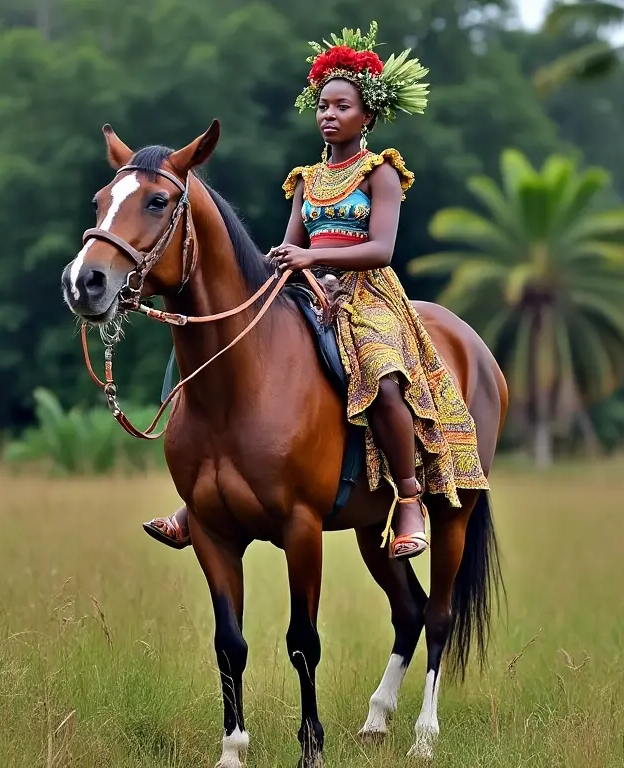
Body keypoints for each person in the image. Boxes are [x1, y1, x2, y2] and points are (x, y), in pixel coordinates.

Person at [142, 22, 489, 560]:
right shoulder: (305, 177)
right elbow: (289, 246)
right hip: (308, 288)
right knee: (232, 355)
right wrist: (277, 264)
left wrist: (315, 256)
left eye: (342, 106)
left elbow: (381, 249)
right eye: (323, 105)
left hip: (369, 295)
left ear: (366, 115)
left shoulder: (381, 173)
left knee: (384, 375)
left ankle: (411, 499)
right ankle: (200, 500)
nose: (329, 114)